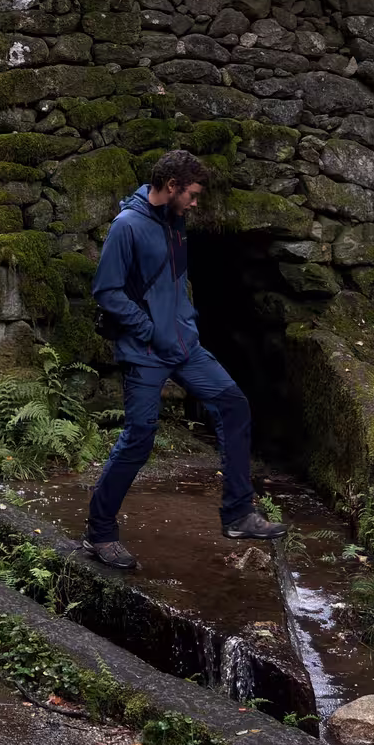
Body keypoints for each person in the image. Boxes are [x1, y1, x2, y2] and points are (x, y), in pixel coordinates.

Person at [84, 148, 286, 568]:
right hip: (145, 351)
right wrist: (149, 330)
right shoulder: (127, 226)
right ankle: (99, 533)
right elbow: (106, 291)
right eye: (192, 194)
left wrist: (182, 326)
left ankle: (238, 515)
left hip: (185, 345)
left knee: (233, 406)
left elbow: (173, 285)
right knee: (139, 438)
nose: (196, 202)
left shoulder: (175, 223)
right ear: (171, 187)